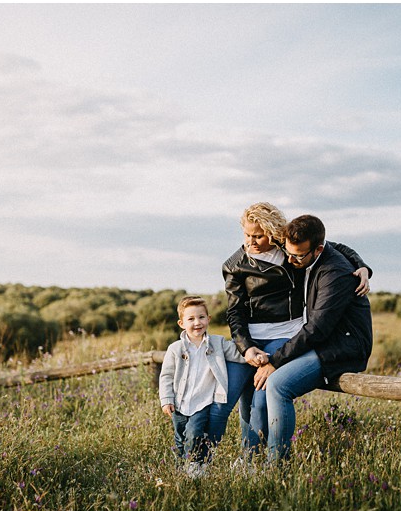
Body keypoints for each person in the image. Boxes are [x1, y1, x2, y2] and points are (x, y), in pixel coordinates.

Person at [217, 202, 371, 455]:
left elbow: (333, 248)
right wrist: (245, 347)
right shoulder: (236, 264)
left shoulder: (292, 248)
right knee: (245, 402)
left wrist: (362, 265)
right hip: (252, 339)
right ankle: (249, 459)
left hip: (288, 334)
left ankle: (273, 463)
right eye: (247, 235)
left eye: (258, 235)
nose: (251, 242)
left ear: (273, 233)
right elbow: (235, 311)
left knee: (263, 396)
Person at [158, 296, 246, 478]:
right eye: (191, 319)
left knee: (195, 432)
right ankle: (182, 465)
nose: (197, 323)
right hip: (179, 402)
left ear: (209, 319)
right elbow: (166, 375)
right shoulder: (175, 349)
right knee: (180, 437)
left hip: (202, 401)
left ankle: (196, 465)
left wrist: (256, 357)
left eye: (201, 317)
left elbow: (238, 355)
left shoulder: (218, 343)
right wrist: (166, 400)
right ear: (181, 323)